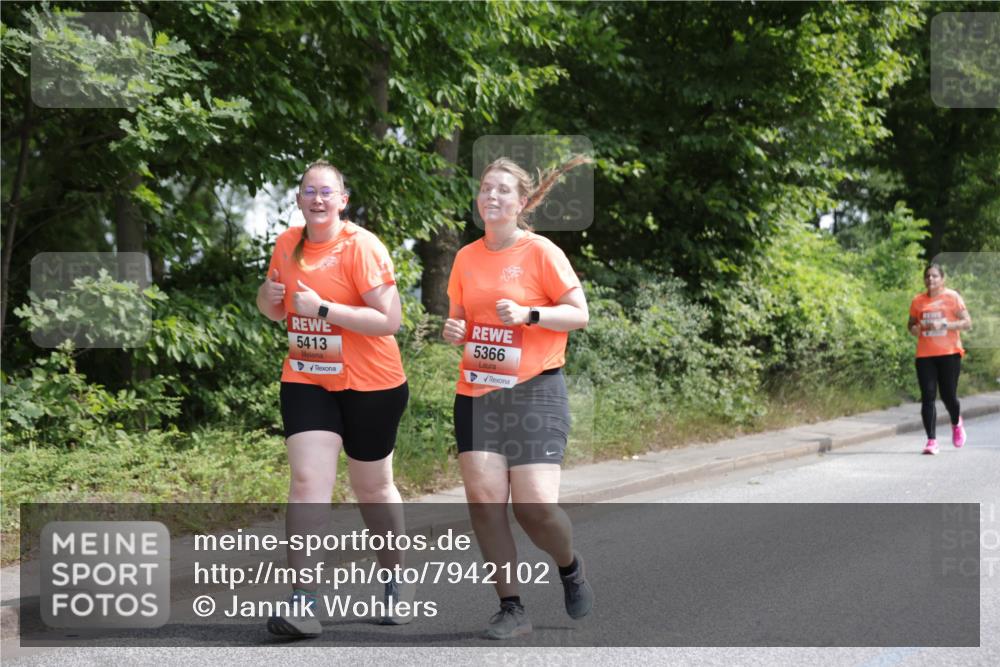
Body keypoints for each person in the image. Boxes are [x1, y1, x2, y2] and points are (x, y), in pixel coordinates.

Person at [256, 160, 411, 637]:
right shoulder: (287, 245)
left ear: (343, 200)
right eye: (309, 191)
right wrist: (267, 293)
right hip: (308, 376)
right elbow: (270, 309)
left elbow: (390, 320)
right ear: (299, 199)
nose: (317, 199)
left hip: (372, 384)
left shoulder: (361, 246)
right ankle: (303, 600)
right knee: (307, 483)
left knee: (372, 489)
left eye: (327, 192)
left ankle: (394, 583)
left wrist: (323, 309)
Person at [441, 155, 594, 639]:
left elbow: (578, 313)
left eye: (503, 190)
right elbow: (463, 320)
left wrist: (530, 314)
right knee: (485, 504)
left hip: (535, 391)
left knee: (534, 508)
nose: (492, 196)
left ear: (522, 202)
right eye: (486, 188)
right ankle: (511, 607)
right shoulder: (466, 257)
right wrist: (454, 331)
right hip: (478, 392)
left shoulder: (541, 251)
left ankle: (569, 566)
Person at [907, 263, 972, 455]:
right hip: (925, 355)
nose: (930, 279)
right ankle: (931, 441)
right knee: (928, 396)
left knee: (948, 396)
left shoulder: (952, 297)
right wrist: (914, 330)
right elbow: (911, 324)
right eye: (927, 276)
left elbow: (967, 323)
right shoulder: (918, 301)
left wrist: (945, 324)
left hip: (949, 354)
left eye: (935, 276)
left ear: (942, 279)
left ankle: (956, 422)